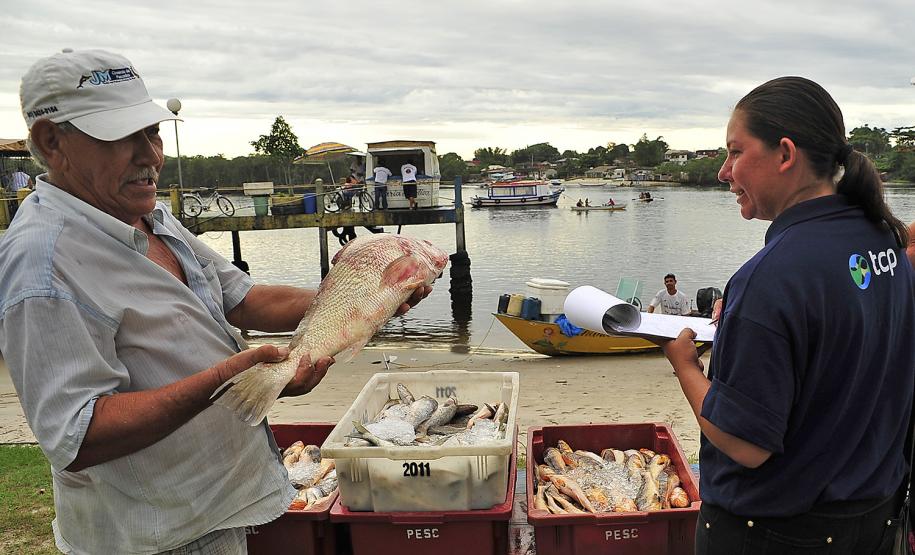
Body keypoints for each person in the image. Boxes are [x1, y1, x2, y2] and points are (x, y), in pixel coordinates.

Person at [0, 48, 430, 555]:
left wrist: (357, 297)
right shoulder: (42, 266)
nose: (150, 155)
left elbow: (242, 299)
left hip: (218, 507)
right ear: (52, 141)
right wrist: (228, 382)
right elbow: (77, 435)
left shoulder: (146, 215)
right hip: (156, 536)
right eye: (121, 136)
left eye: (151, 132)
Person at [659, 77, 915, 554]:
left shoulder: (771, 277)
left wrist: (685, 364)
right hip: (875, 519)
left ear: (784, 154)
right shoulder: (884, 240)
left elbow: (745, 444)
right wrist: (746, 323)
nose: (723, 172)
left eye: (735, 152)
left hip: (778, 532)